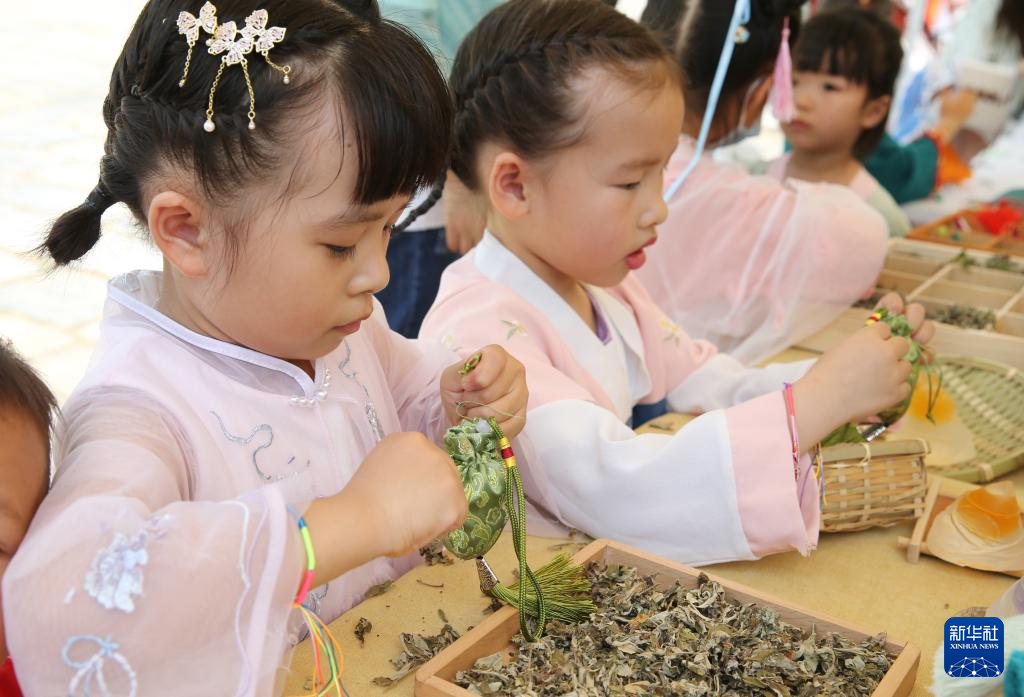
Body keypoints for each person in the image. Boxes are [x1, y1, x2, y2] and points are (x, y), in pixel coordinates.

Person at [3, 2, 527, 693]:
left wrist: (459, 400)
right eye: (340, 244)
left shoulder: (339, 327)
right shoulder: (135, 409)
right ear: (186, 229)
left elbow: (406, 395)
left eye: (388, 229)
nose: (378, 274)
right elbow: (66, 604)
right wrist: (338, 527)